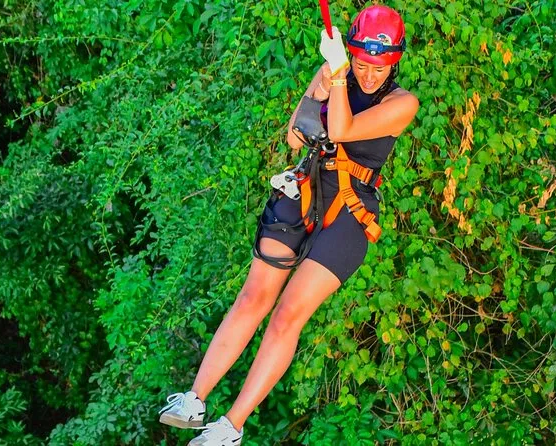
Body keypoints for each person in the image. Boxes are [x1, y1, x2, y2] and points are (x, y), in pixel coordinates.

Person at [158, 5, 419, 445]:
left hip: (350, 211)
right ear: (351, 54)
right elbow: (294, 137)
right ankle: (194, 399)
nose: (369, 75)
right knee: (253, 296)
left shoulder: (402, 103)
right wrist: (324, 81)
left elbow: (342, 128)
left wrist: (339, 76)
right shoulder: (335, 71)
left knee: (286, 315)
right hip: (307, 187)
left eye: (379, 67)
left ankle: (230, 426)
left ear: (394, 63)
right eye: (361, 64)